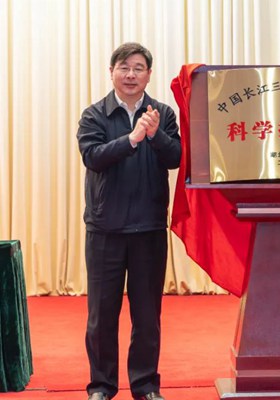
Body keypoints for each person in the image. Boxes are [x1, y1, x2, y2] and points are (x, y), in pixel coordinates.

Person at [77, 42, 181, 400]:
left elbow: (176, 158)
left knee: (147, 316)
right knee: (101, 315)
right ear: (112, 73)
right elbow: (93, 157)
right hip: (105, 228)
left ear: (149, 74)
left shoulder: (162, 113)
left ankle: (146, 385)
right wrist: (133, 139)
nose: (131, 75)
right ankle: (101, 386)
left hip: (148, 228)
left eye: (138, 68)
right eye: (124, 67)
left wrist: (155, 135)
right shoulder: (94, 115)